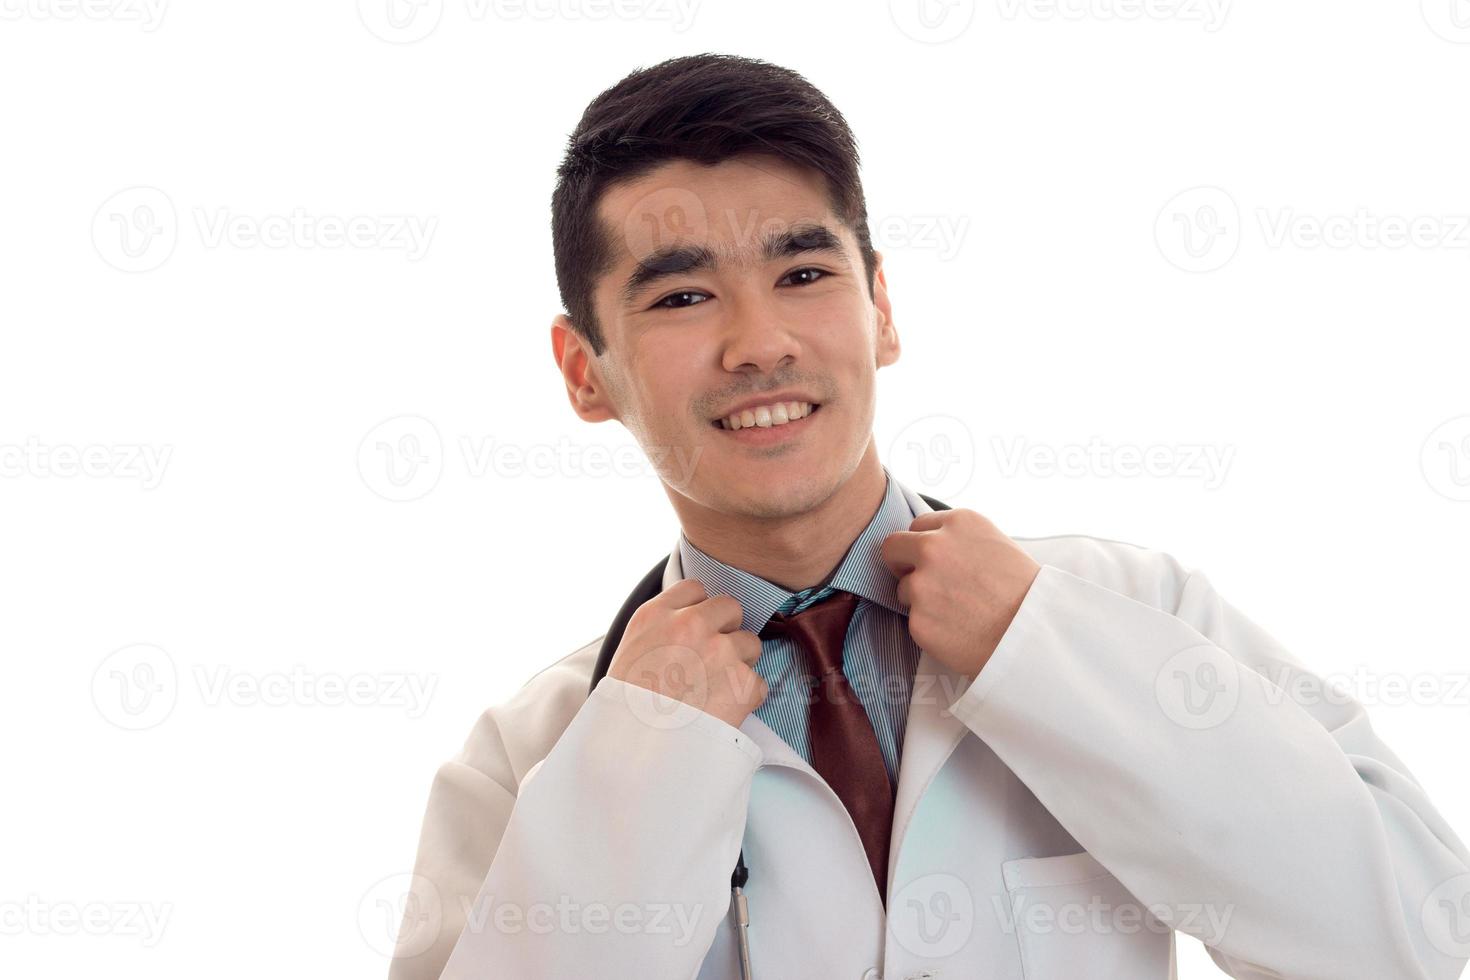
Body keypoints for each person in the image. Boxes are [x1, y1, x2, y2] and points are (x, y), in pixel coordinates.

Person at [385, 53, 1470, 979]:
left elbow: (1418, 939)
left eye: (803, 270)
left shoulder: (1129, 610)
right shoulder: (533, 752)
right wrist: (637, 760)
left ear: (882, 309)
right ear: (585, 372)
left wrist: (1055, 659)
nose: (761, 342)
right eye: (681, 296)